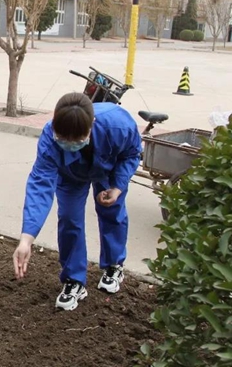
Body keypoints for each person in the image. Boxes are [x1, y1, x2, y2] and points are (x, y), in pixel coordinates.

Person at [12, 92, 141, 311]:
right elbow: (41, 184)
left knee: (112, 211)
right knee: (69, 219)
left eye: (78, 141)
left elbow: (132, 154)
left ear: (92, 124)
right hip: (70, 174)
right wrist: (26, 239)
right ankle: (74, 280)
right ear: (54, 124)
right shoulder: (49, 137)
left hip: (108, 169)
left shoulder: (118, 125)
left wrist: (118, 187)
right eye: (63, 141)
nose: (70, 144)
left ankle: (114, 265)